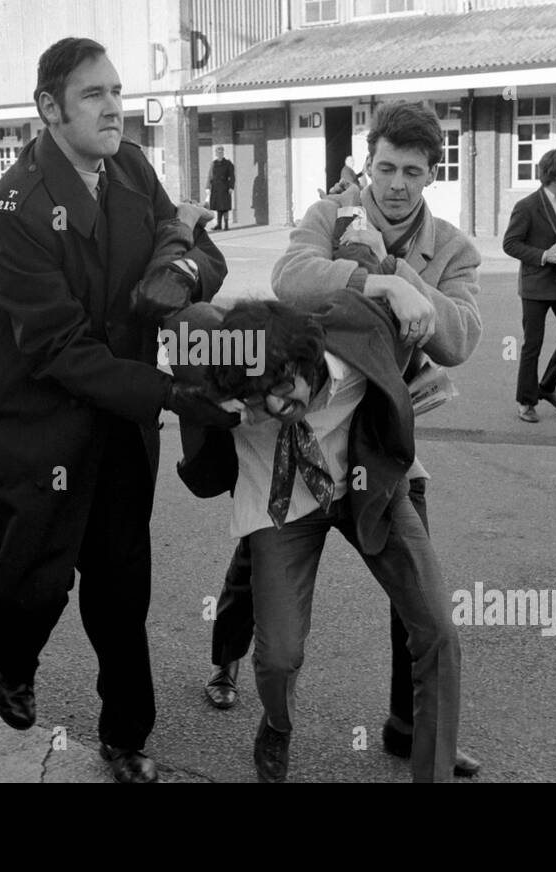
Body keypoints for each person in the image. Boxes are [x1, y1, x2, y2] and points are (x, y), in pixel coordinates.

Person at [0, 36, 234, 784]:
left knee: (121, 587)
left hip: (118, 419)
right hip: (33, 418)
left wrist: (182, 271)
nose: (114, 107)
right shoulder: (16, 210)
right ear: (49, 109)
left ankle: (125, 737)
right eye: (94, 94)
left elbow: (195, 252)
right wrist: (171, 393)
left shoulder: (130, 166)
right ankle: (16, 661)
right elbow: (60, 350)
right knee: (37, 575)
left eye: (118, 91)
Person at [201, 100, 483, 777]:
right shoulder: (330, 215)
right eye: (384, 167)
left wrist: (405, 275)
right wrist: (376, 279)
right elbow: (291, 279)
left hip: (380, 453)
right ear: (367, 161)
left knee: (431, 621)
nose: (394, 185)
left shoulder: (452, 248)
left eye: (411, 172)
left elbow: (461, 337)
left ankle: (418, 743)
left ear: (429, 177)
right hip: (290, 444)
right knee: (268, 610)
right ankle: (246, 681)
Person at [175, 294, 462, 783]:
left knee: (438, 631)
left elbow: (381, 297)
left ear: (308, 362)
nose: (276, 406)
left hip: (365, 486)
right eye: (258, 398)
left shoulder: (361, 347)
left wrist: (391, 279)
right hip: (280, 504)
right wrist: (212, 394)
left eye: (285, 386)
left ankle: (432, 771)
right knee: (279, 656)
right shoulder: (227, 371)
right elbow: (181, 320)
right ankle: (276, 726)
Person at [503, 147, 556, 423]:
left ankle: (547, 387)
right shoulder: (526, 206)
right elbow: (510, 244)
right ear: (555, 173)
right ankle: (526, 402)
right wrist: (543, 255)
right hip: (536, 286)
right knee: (532, 345)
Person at [206, 145, 235, 231]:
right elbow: (210, 175)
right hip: (215, 187)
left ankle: (226, 225)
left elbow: (232, 176)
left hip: (225, 187)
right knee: (218, 207)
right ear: (216, 153)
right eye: (218, 152)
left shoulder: (228, 163)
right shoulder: (213, 163)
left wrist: (231, 187)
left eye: (221, 152)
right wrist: (208, 187)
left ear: (223, 153)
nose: (219, 154)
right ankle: (219, 225)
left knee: (225, 207)